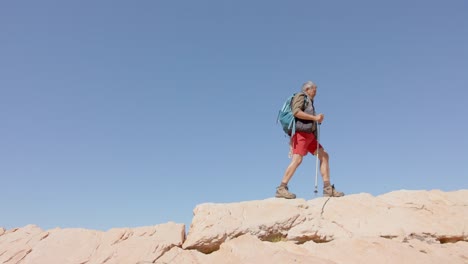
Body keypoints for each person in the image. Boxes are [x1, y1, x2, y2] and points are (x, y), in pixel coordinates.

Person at [276, 81, 345, 199]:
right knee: (297, 160)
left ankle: (327, 188)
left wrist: (316, 120)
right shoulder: (301, 96)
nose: (315, 90)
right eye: (314, 88)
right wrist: (315, 117)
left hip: (309, 136)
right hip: (301, 134)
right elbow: (296, 112)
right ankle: (281, 188)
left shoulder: (310, 102)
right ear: (307, 89)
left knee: (324, 155)